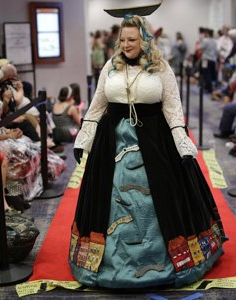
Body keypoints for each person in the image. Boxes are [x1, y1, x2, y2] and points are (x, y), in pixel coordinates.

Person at [70, 3, 226, 289]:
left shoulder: (161, 67)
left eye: (132, 40)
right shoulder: (110, 66)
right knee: (110, 198)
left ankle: (167, 263)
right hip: (112, 142)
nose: (126, 45)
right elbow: (96, 106)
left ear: (145, 39)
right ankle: (107, 266)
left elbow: (173, 107)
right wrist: (84, 139)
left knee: (164, 199)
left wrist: (183, 144)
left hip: (155, 141)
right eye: (123, 40)